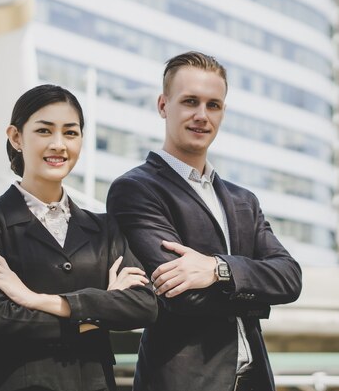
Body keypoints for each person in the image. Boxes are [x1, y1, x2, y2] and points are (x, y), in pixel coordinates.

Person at [107, 52, 302, 391]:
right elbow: (181, 297)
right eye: (190, 102)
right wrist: (256, 288)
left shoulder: (244, 201)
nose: (202, 115)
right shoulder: (135, 190)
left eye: (214, 105)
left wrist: (217, 270)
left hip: (255, 381)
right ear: (163, 105)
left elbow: (289, 277)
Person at [0, 84, 158, 391]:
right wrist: (95, 314)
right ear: (16, 137)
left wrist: (37, 300)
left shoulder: (106, 228)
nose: (59, 144)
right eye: (44, 131)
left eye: (71, 133)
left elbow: (143, 305)